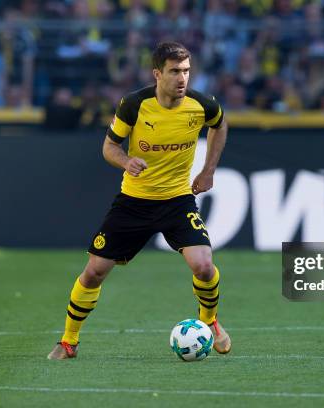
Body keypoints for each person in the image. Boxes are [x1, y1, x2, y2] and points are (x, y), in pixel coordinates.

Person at [48, 41, 231, 359]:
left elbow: (220, 124)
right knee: (94, 272)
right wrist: (126, 161)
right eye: (175, 71)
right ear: (158, 73)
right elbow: (109, 147)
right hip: (134, 201)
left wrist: (208, 170)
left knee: (203, 265)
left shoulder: (202, 105)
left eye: (186, 71)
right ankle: (68, 341)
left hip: (177, 200)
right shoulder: (134, 104)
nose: (182, 79)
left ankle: (208, 322)